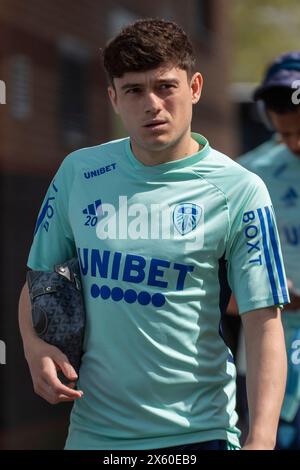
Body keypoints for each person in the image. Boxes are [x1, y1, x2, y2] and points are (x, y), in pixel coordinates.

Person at [18, 18, 288, 451]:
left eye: (166, 86)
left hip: (199, 437)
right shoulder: (79, 172)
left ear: (195, 87)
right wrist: (34, 347)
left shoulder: (240, 189)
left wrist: (262, 439)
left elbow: (263, 323)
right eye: (134, 90)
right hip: (94, 435)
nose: (153, 104)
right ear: (113, 98)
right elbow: (39, 279)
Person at [239, 51, 300, 450]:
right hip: (271, 355)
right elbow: (216, 278)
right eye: (285, 134)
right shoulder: (247, 175)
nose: (294, 144)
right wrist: (271, 293)